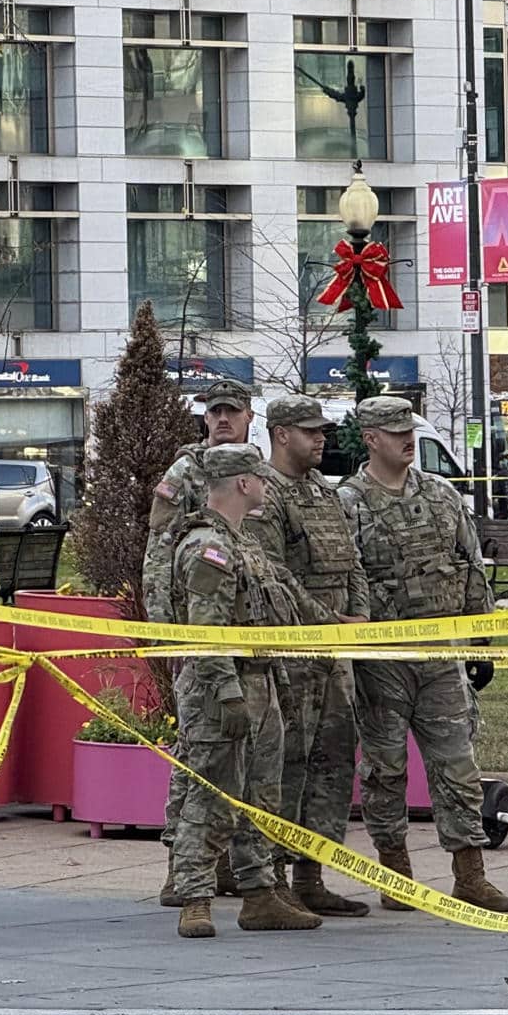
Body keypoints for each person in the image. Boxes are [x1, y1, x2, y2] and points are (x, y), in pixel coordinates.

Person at [339, 396, 508, 914]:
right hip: (382, 663)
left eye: (409, 429)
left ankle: (470, 873)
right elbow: (345, 582)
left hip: (440, 659)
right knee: (385, 770)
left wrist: (480, 636)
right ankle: (395, 872)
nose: (407, 438)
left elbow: (469, 564)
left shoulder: (442, 496)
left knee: (457, 766)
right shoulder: (349, 502)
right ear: (371, 438)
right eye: (395, 431)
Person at [171, 444, 338, 939]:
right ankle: (195, 897)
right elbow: (207, 630)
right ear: (243, 483)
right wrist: (226, 693)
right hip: (221, 688)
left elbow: (286, 599)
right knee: (213, 794)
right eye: (260, 478)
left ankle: (260, 893)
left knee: (263, 796)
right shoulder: (209, 548)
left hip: (262, 682)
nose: (266, 486)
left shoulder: (244, 543)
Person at [245, 396, 371, 918]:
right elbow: (273, 575)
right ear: (280, 434)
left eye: (323, 431)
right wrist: (328, 620)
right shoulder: (262, 496)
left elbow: (353, 561)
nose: (321, 439)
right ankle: (271, 881)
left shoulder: (327, 495)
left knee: (334, 764)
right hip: (293, 654)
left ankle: (311, 874)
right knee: (286, 765)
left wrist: (358, 617)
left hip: (335, 654)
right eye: (310, 431)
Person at [144, 375, 254, 908]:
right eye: (215, 413)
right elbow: (159, 555)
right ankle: (179, 866)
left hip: (248, 638)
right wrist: (171, 635)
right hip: (199, 631)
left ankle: (227, 864)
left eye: (232, 411)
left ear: (249, 415)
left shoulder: (258, 474)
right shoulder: (186, 473)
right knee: (198, 753)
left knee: (241, 761)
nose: (223, 419)